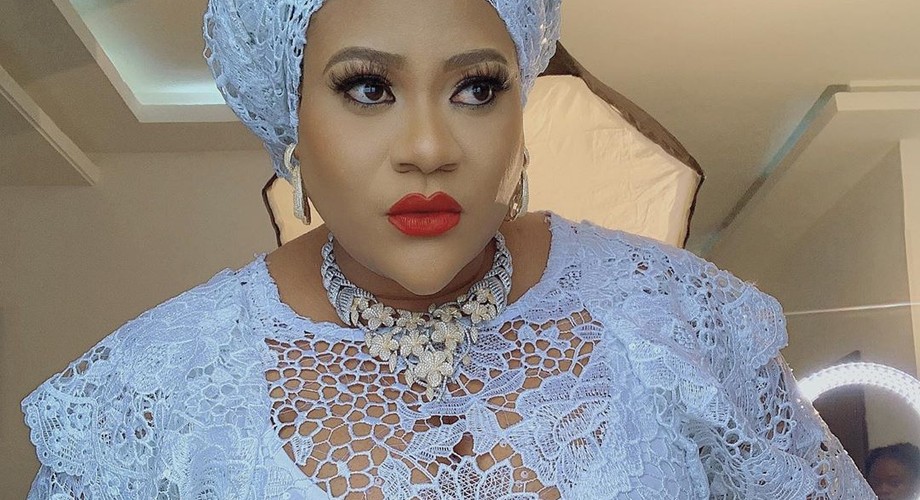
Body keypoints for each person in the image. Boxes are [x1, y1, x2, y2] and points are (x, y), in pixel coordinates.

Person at [21, 0, 874, 498]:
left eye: (475, 87)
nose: (428, 147)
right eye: (367, 87)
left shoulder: (679, 320)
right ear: (292, 123)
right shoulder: (150, 396)